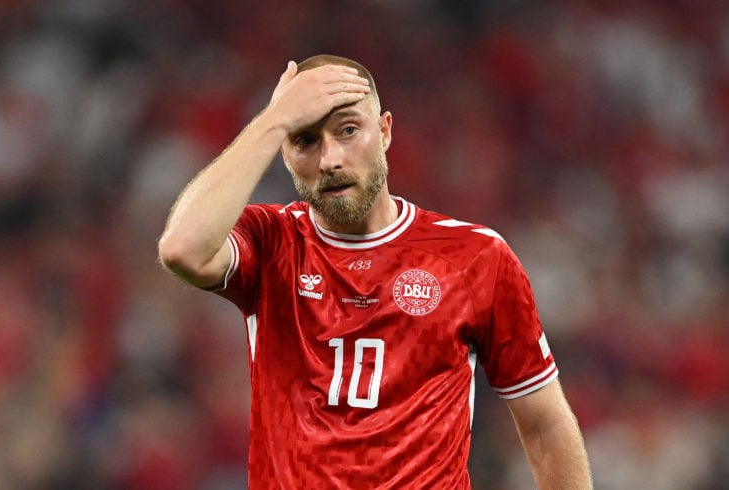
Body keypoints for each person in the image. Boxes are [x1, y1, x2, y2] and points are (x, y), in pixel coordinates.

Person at [158, 54, 592, 489]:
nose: (330, 159)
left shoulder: (475, 257)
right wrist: (273, 121)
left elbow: (544, 425)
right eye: (304, 140)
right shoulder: (271, 240)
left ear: (384, 130)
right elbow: (183, 250)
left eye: (348, 130)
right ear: (285, 154)